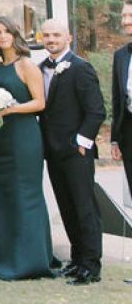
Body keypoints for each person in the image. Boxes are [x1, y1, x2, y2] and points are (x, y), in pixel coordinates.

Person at [0, 17, 53, 280]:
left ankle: (30, 259)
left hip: (24, 136)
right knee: (4, 193)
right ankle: (4, 255)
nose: (1, 36)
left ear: (14, 34)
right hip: (4, 137)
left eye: (5, 31)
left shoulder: (27, 65)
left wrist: (11, 109)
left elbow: (39, 103)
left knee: (25, 193)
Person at [38, 17, 105, 285]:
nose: (51, 40)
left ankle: (91, 266)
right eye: (46, 36)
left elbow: (96, 111)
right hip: (52, 151)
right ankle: (77, 260)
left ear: (69, 38)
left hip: (76, 152)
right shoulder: (40, 68)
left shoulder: (81, 68)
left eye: (56, 35)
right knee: (66, 207)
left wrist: (82, 143)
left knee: (84, 208)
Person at [110, 0, 132, 271]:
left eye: (131, 16)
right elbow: (118, 100)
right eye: (125, 17)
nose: (126, 21)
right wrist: (115, 138)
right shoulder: (121, 55)